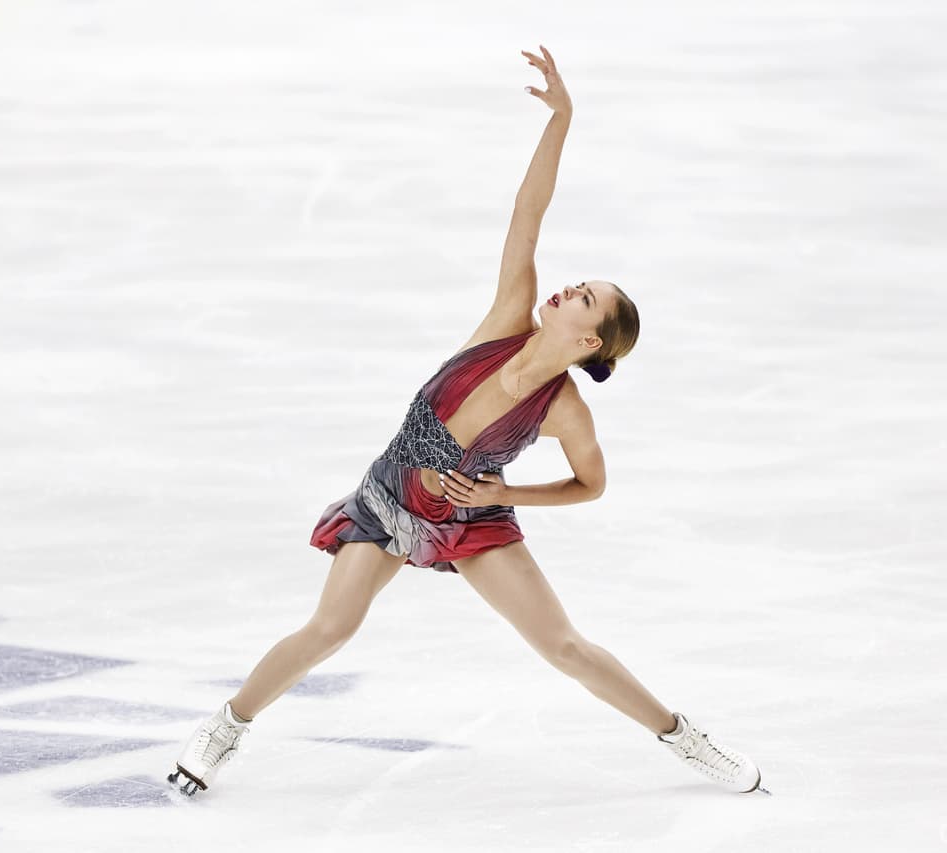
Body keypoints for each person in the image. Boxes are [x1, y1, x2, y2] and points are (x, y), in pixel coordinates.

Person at [167, 45, 768, 799]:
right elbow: (529, 211)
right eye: (581, 284)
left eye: (586, 298)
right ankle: (225, 725)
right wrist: (563, 119)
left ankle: (685, 739)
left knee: (565, 646)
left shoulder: (563, 408)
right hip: (391, 496)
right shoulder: (506, 318)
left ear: (588, 341)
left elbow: (593, 484)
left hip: (473, 517)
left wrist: (504, 499)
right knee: (331, 628)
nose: (572, 286)